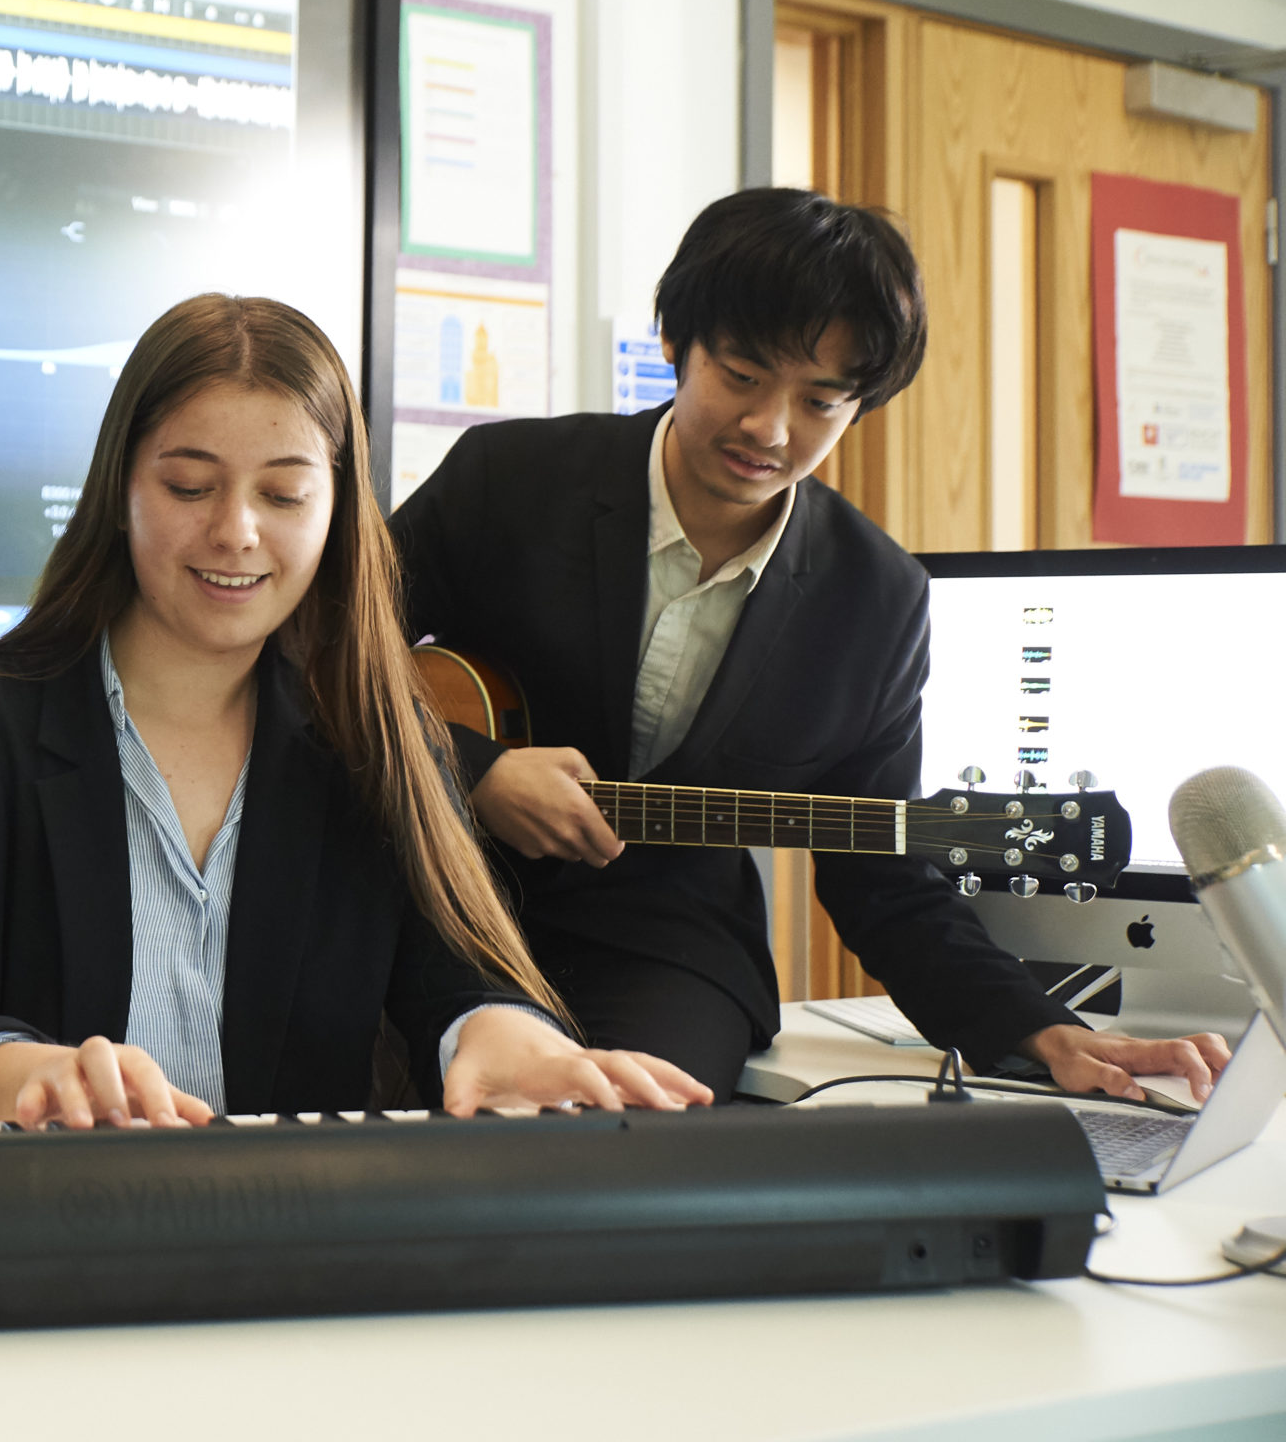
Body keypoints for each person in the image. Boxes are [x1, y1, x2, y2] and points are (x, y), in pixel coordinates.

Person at [389, 188, 1230, 1102]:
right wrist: (471, 767)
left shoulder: (875, 599)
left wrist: (1042, 1029)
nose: (770, 429)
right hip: (424, 884)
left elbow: (886, 880)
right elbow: (324, 652)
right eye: (743, 376)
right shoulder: (508, 478)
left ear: (860, 405)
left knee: (632, 1132)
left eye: (820, 401)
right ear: (677, 342)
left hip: (660, 942)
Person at [0, 294, 710, 1128]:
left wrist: (502, 1034)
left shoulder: (374, 737)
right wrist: (22, 1076)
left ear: (335, 514)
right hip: (38, 1244)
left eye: (284, 496)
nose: (237, 532)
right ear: (120, 490)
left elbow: (457, 978)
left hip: (287, 1246)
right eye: (187, 486)